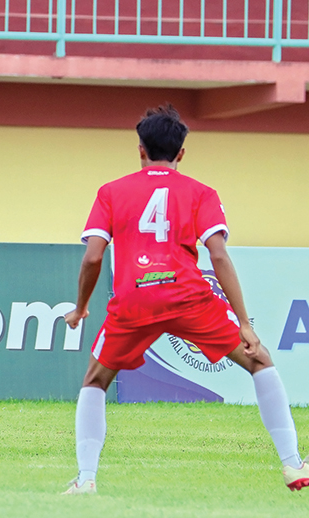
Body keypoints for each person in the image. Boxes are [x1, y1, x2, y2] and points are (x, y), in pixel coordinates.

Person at [63, 104, 307, 495]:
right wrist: (245, 323)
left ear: (140, 150)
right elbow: (219, 255)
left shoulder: (110, 192)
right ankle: (292, 464)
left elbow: (93, 257)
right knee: (259, 360)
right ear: (181, 153)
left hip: (134, 300)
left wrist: (80, 307)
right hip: (187, 297)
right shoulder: (201, 193)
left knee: (95, 380)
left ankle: (86, 478)